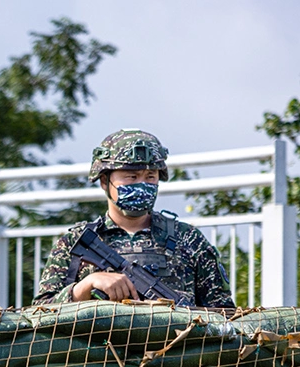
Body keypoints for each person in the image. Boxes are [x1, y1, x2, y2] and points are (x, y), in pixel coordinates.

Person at [32, 129, 234, 308]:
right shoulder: (76, 241)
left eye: (150, 176)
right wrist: (85, 287)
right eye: (132, 177)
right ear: (104, 181)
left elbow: (224, 313)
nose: (142, 184)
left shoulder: (189, 240)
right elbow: (40, 311)